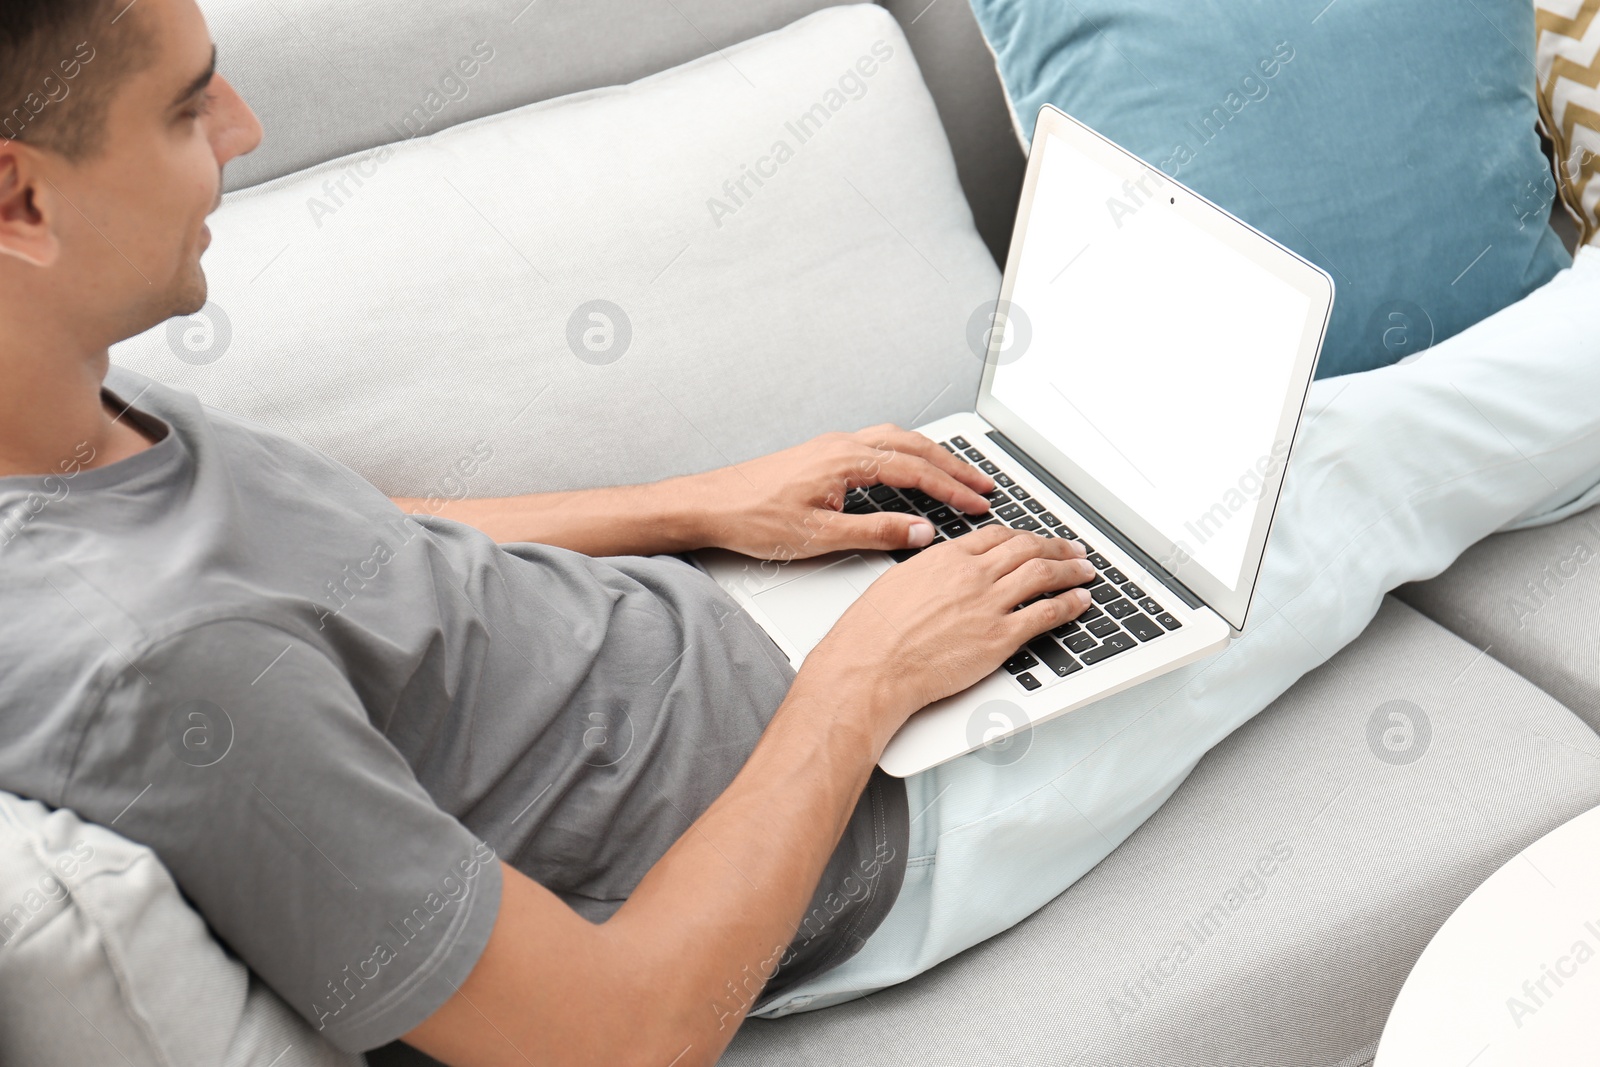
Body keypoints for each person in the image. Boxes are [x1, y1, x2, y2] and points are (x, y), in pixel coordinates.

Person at [0, 1, 1097, 1063]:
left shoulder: (48, 402)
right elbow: (613, 1037)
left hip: (779, 669)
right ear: (21, 201)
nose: (244, 129)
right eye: (187, 110)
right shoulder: (167, 674)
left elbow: (341, 550)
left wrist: (704, 505)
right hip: (862, 814)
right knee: (1247, 507)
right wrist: (863, 682)